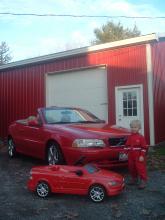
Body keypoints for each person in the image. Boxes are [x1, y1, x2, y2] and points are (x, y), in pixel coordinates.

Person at [124, 120, 148, 189]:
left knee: (140, 168)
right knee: (132, 168)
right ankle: (134, 179)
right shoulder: (130, 137)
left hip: (138, 156)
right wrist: (125, 153)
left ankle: (143, 180)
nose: (133, 129)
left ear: (139, 128)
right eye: (132, 127)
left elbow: (144, 147)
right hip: (131, 156)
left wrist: (142, 155)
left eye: (135, 127)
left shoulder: (141, 137)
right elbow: (127, 146)